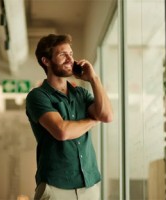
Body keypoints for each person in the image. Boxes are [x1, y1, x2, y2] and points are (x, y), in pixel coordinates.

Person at [26, 34, 113, 200]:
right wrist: (93, 120)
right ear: (46, 61)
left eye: (71, 54)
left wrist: (93, 78)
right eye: (62, 55)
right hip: (55, 186)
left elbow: (107, 116)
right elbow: (62, 132)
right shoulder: (38, 96)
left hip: (89, 184)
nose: (70, 59)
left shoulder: (81, 93)